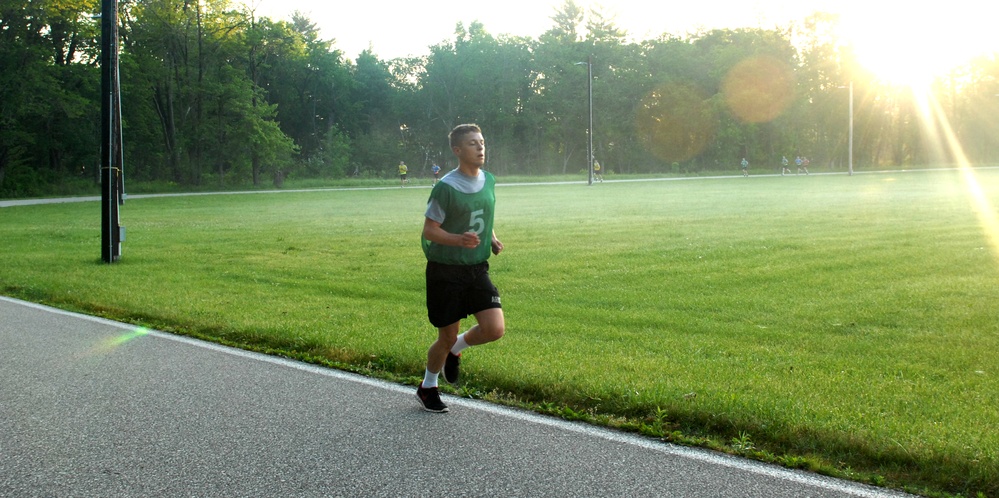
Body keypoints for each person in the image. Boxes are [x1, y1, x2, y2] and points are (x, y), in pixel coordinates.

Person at [416, 123, 505, 413]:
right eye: (472, 144)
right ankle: (428, 386)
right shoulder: (446, 188)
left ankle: (457, 351)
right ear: (457, 150)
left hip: (477, 268)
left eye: (482, 142)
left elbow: (482, 215)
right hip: (446, 270)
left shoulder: (489, 180)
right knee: (446, 336)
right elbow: (430, 230)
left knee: (494, 329)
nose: (480, 148)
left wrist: (490, 238)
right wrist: (458, 240)